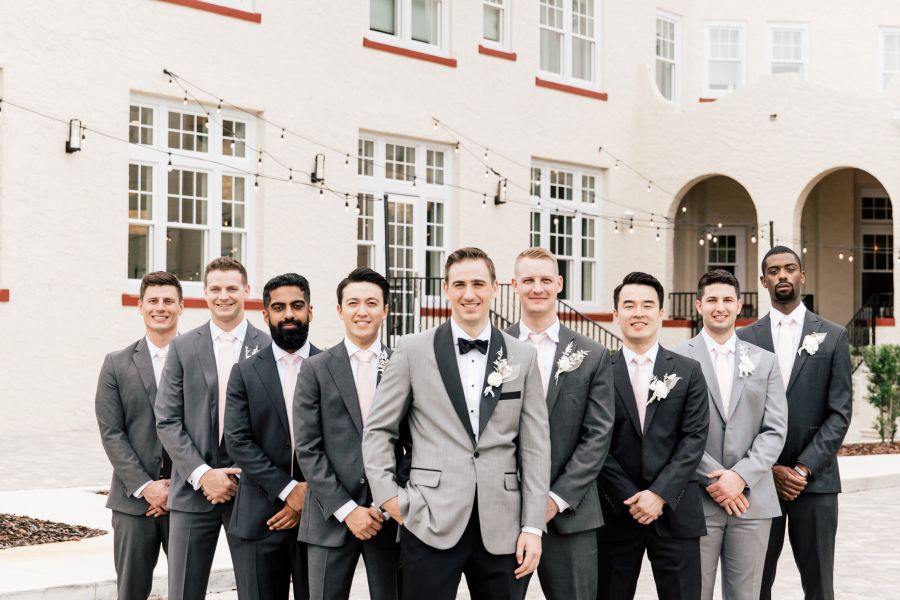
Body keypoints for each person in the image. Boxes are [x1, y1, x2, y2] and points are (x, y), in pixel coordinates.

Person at [362, 247, 550, 600]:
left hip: (503, 525)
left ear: (495, 288)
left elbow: (536, 446)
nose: (469, 293)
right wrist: (389, 498)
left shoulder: (522, 356)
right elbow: (378, 431)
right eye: (459, 284)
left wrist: (532, 526)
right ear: (446, 289)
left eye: (478, 283)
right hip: (428, 518)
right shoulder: (412, 350)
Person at [736, 246, 852, 600]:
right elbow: (738, 415)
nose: (782, 275)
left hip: (814, 484)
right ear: (763, 281)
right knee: (754, 585)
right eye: (773, 271)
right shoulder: (744, 340)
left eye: (789, 269)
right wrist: (769, 468)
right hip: (759, 484)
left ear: (802, 276)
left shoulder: (832, 336)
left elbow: (840, 412)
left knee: (819, 586)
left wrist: (802, 469)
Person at [155, 257, 270, 600]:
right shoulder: (183, 346)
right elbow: (167, 419)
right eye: (216, 289)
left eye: (232, 288)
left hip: (251, 494)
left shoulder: (268, 349)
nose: (224, 296)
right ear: (204, 293)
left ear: (246, 291)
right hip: (192, 494)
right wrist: (203, 474)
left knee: (257, 592)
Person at [671, 269, 787, 600]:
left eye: (726, 300)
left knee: (746, 595)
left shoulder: (765, 362)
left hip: (753, 500)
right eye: (711, 300)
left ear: (739, 305)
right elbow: (674, 431)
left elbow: (775, 429)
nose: (719, 307)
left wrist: (741, 477)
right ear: (698, 306)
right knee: (694, 593)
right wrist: (717, 479)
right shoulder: (676, 358)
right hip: (696, 499)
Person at [506, 248, 614, 600]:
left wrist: (555, 499)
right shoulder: (494, 348)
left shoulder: (592, 354)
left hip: (571, 513)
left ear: (559, 284)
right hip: (506, 511)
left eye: (545, 280)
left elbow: (598, 435)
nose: (537, 288)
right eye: (529, 280)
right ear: (515, 285)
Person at [596, 271, 709, 600]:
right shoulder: (599, 369)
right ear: (616, 314)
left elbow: (694, 439)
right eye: (628, 305)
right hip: (616, 511)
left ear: (661, 313)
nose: (638, 313)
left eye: (648, 305)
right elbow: (594, 439)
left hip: (675, 511)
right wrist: (630, 497)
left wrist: (659, 494)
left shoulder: (688, 371)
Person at [295, 267, 406, 600]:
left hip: (390, 518)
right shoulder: (315, 368)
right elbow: (308, 448)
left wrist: (386, 504)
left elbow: (417, 444)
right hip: (330, 517)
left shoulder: (405, 365)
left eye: (371, 303)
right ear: (340, 310)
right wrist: (346, 509)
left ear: (385, 310)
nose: (362, 311)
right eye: (353, 303)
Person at [224, 273, 319, 599]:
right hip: (258, 519)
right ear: (266, 315)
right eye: (279, 307)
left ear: (310, 311)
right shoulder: (245, 372)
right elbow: (237, 441)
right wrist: (289, 490)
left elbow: (344, 440)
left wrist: (307, 496)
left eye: (297, 306)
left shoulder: (332, 366)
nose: (288, 314)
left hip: (319, 519)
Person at [95, 271, 183, 600]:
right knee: (130, 592)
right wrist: (148, 488)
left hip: (186, 500)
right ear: (140, 306)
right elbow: (111, 432)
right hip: (133, 503)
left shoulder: (199, 359)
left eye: (168, 301)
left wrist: (176, 485)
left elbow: (208, 430)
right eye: (153, 301)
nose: (161, 307)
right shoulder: (116, 363)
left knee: (188, 590)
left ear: (181, 307)